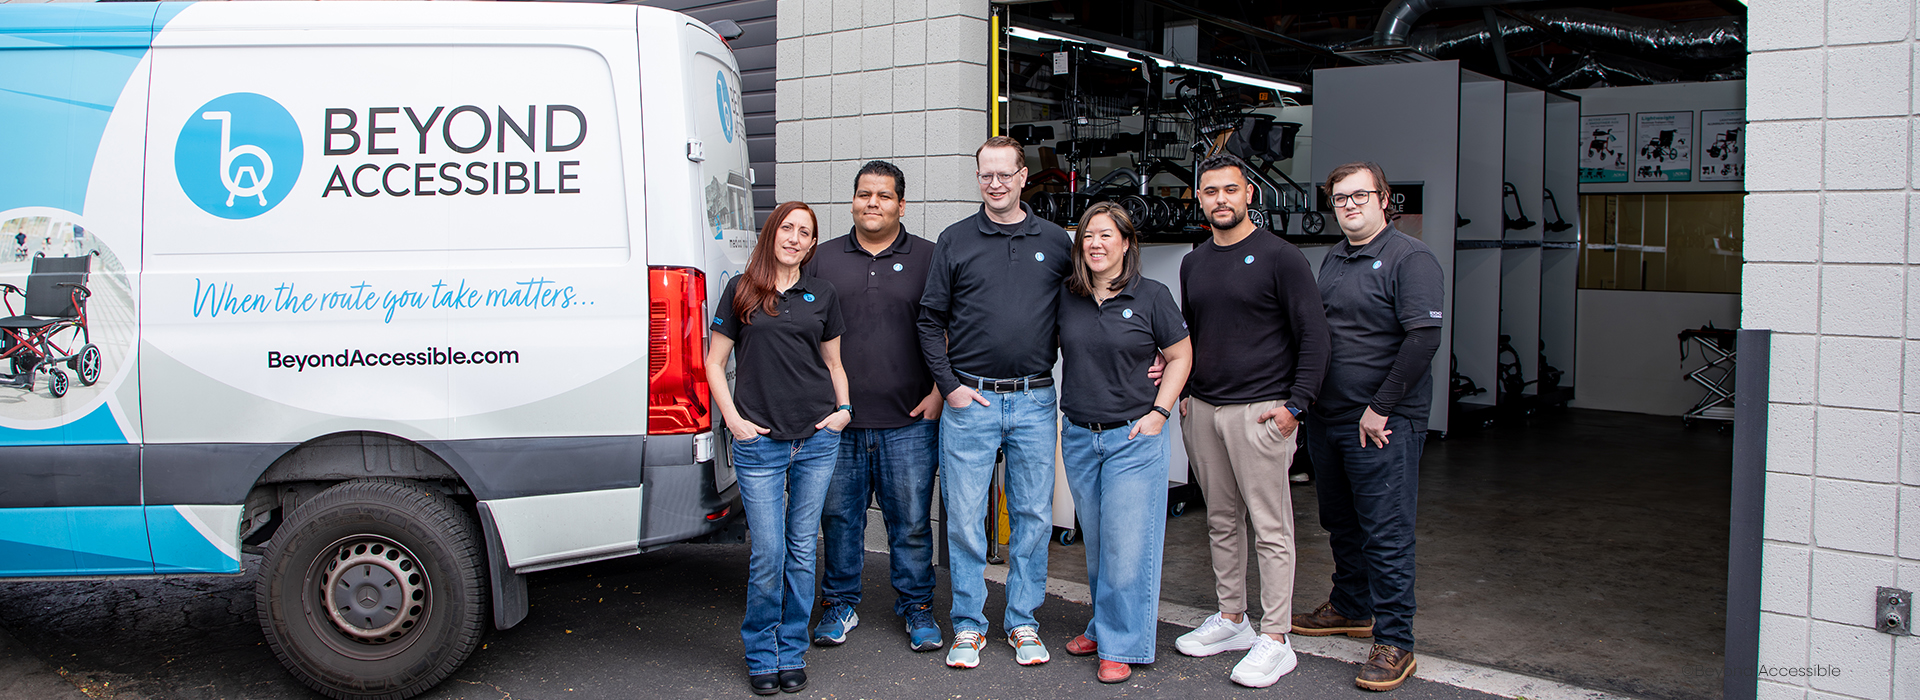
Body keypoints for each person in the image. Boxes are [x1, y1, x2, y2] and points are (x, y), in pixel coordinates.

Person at [1171, 154, 1329, 688]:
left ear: (1249, 195)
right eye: (1210, 190)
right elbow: (1192, 333)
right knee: (1219, 519)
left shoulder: (1281, 258)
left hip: (1262, 412)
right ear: (1200, 198)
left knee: (1270, 527)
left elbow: (1315, 337)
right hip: (1205, 410)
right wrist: (1185, 388)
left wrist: (1296, 406)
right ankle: (1233, 619)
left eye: (1230, 190)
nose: (1221, 199)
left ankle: (1276, 638)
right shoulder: (1194, 262)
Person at [918, 135, 1072, 669]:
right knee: (962, 520)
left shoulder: (1055, 242)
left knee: (1031, 517)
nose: (996, 183)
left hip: (1033, 399)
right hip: (971, 401)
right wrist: (950, 387)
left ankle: (1024, 622)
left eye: (1005, 174)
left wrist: (1152, 353)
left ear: (1024, 177)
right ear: (977, 176)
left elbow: (1087, 307)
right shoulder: (955, 240)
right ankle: (968, 625)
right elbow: (929, 319)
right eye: (986, 174)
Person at [1290, 162, 1445, 692]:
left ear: (1384, 199)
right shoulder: (1334, 256)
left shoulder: (1411, 258)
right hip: (1329, 417)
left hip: (1380, 423)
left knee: (1387, 532)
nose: (1350, 205)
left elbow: (1423, 339)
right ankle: (1352, 607)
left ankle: (1395, 641)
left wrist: (1380, 406)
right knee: (1340, 521)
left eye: (1360, 196)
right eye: (1339, 199)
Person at [705, 201, 853, 696]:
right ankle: (760, 651)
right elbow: (714, 362)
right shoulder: (743, 291)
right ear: (772, 234)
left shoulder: (823, 293)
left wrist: (844, 411)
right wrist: (733, 421)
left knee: (801, 549)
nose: (794, 237)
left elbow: (833, 363)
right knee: (768, 553)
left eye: (804, 232)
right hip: (759, 443)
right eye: (787, 228)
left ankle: (791, 651)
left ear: (812, 244)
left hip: (816, 440)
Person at [805, 161, 946, 652]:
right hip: (838, 423)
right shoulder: (820, 260)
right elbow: (802, 333)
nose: (873, 203)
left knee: (909, 523)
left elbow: (950, 329)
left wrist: (938, 392)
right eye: (864, 194)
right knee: (839, 520)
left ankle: (916, 608)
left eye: (883, 196)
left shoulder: (930, 257)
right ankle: (839, 605)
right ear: (852, 201)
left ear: (901, 205)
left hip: (909, 419)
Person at [1055, 202, 1192, 684]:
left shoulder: (1152, 296)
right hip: (1078, 435)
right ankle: (1104, 624)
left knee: (1128, 547)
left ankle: (1123, 645)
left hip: (1134, 437)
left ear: (1127, 243)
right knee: (1099, 544)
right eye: (1088, 235)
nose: (1095, 243)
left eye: (1106, 235)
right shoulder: (1067, 297)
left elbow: (1179, 357)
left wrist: (1159, 413)